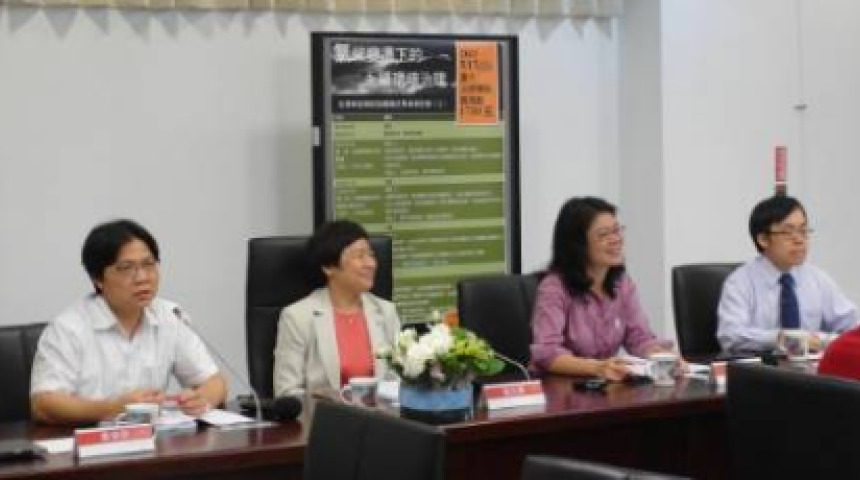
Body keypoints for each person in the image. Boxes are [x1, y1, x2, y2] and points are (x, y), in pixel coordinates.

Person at [30, 220, 227, 425]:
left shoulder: (169, 316)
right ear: (97, 278)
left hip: (153, 440)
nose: (142, 277)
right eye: (126, 268)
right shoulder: (68, 329)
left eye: (148, 264)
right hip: (86, 440)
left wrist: (201, 400)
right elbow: (43, 404)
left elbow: (215, 382)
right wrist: (116, 409)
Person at [530, 197, 676, 381]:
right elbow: (547, 352)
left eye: (617, 230)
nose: (616, 239)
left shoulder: (622, 284)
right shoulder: (554, 288)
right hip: (559, 388)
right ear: (578, 244)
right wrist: (597, 368)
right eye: (604, 234)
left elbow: (639, 338)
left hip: (603, 386)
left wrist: (663, 358)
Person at [273, 220, 400, 398]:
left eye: (371, 255)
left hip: (381, 413)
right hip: (325, 414)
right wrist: (329, 401)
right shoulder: (298, 317)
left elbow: (400, 380)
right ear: (328, 267)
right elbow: (286, 393)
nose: (371, 263)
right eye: (360, 256)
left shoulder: (386, 311)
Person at [717, 195, 857, 354]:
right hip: (763, 366)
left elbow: (852, 325)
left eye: (803, 230)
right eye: (788, 232)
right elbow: (731, 335)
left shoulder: (817, 278)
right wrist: (781, 339)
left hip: (811, 367)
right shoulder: (740, 282)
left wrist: (822, 340)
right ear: (763, 239)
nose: (799, 240)